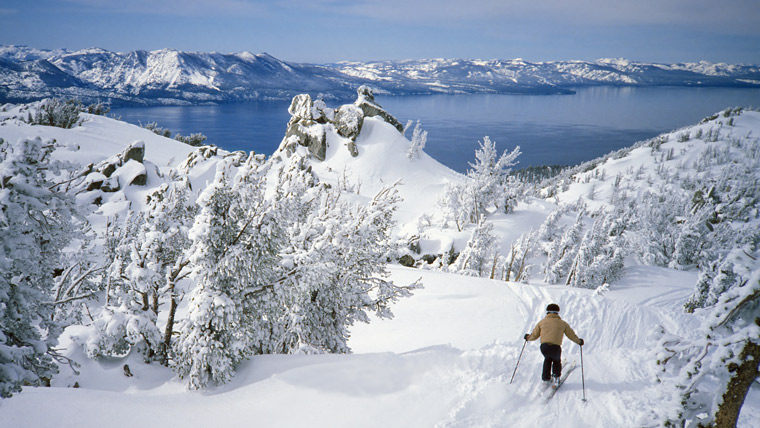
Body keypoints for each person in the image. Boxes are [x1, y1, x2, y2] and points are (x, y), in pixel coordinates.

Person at [524, 303, 584, 385]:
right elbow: (571, 335)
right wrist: (579, 341)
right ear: (557, 313)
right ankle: (556, 377)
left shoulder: (541, 322)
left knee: (547, 359)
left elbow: (534, 336)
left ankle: (546, 378)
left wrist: (527, 337)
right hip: (555, 347)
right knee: (556, 360)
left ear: (547, 312)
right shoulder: (563, 323)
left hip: (544, 347)